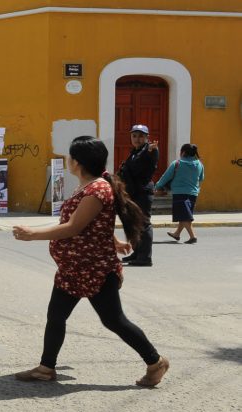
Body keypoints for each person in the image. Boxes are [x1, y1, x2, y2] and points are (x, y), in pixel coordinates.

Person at [12, 136, 168, 387]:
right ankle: (46, 368)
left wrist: (33, 235)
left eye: (71, 157)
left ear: (78, 162)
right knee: (56, 315)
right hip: (73, 269)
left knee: (114, 320)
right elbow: (96, 223)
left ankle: (155, 361)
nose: (69, 161)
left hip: (94, 270)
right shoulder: (90, 186)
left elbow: (74, 227)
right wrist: (115, 240)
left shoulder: (97, 189)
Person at [118, 124, 158, 266]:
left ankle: (145, 257)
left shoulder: (149, 150)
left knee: (144, 224)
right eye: (134, 136)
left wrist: (150, 150)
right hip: (133, 192)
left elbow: (136, 168)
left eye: (141, 136)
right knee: (135, 224)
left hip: (142, 193)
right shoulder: (135, 152)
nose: (137, 139)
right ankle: (137, 253)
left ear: (147, 138)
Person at [155, 143, 205, 244]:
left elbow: (166, 177)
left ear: (183, 152)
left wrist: (157, 186)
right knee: (184, 214)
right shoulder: (199, 164)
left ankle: (192, 236)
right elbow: (201, 178)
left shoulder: (177, 163)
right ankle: (177, 233)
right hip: (193, 194)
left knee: (184, 216)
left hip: (179, 193)